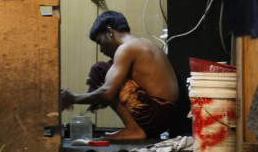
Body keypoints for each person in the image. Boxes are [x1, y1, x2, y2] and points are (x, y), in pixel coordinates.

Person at [60, 11, 179, 141]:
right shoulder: (145, 42)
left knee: (101, 70)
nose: (101, 49)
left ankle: (133, 130)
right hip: (168, 117)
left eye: (100, 42)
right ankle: (136, 129)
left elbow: (107, 93)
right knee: (110, 70)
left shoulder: (126, 48)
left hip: (153, 116)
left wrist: (74, 98)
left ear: (110, 32)